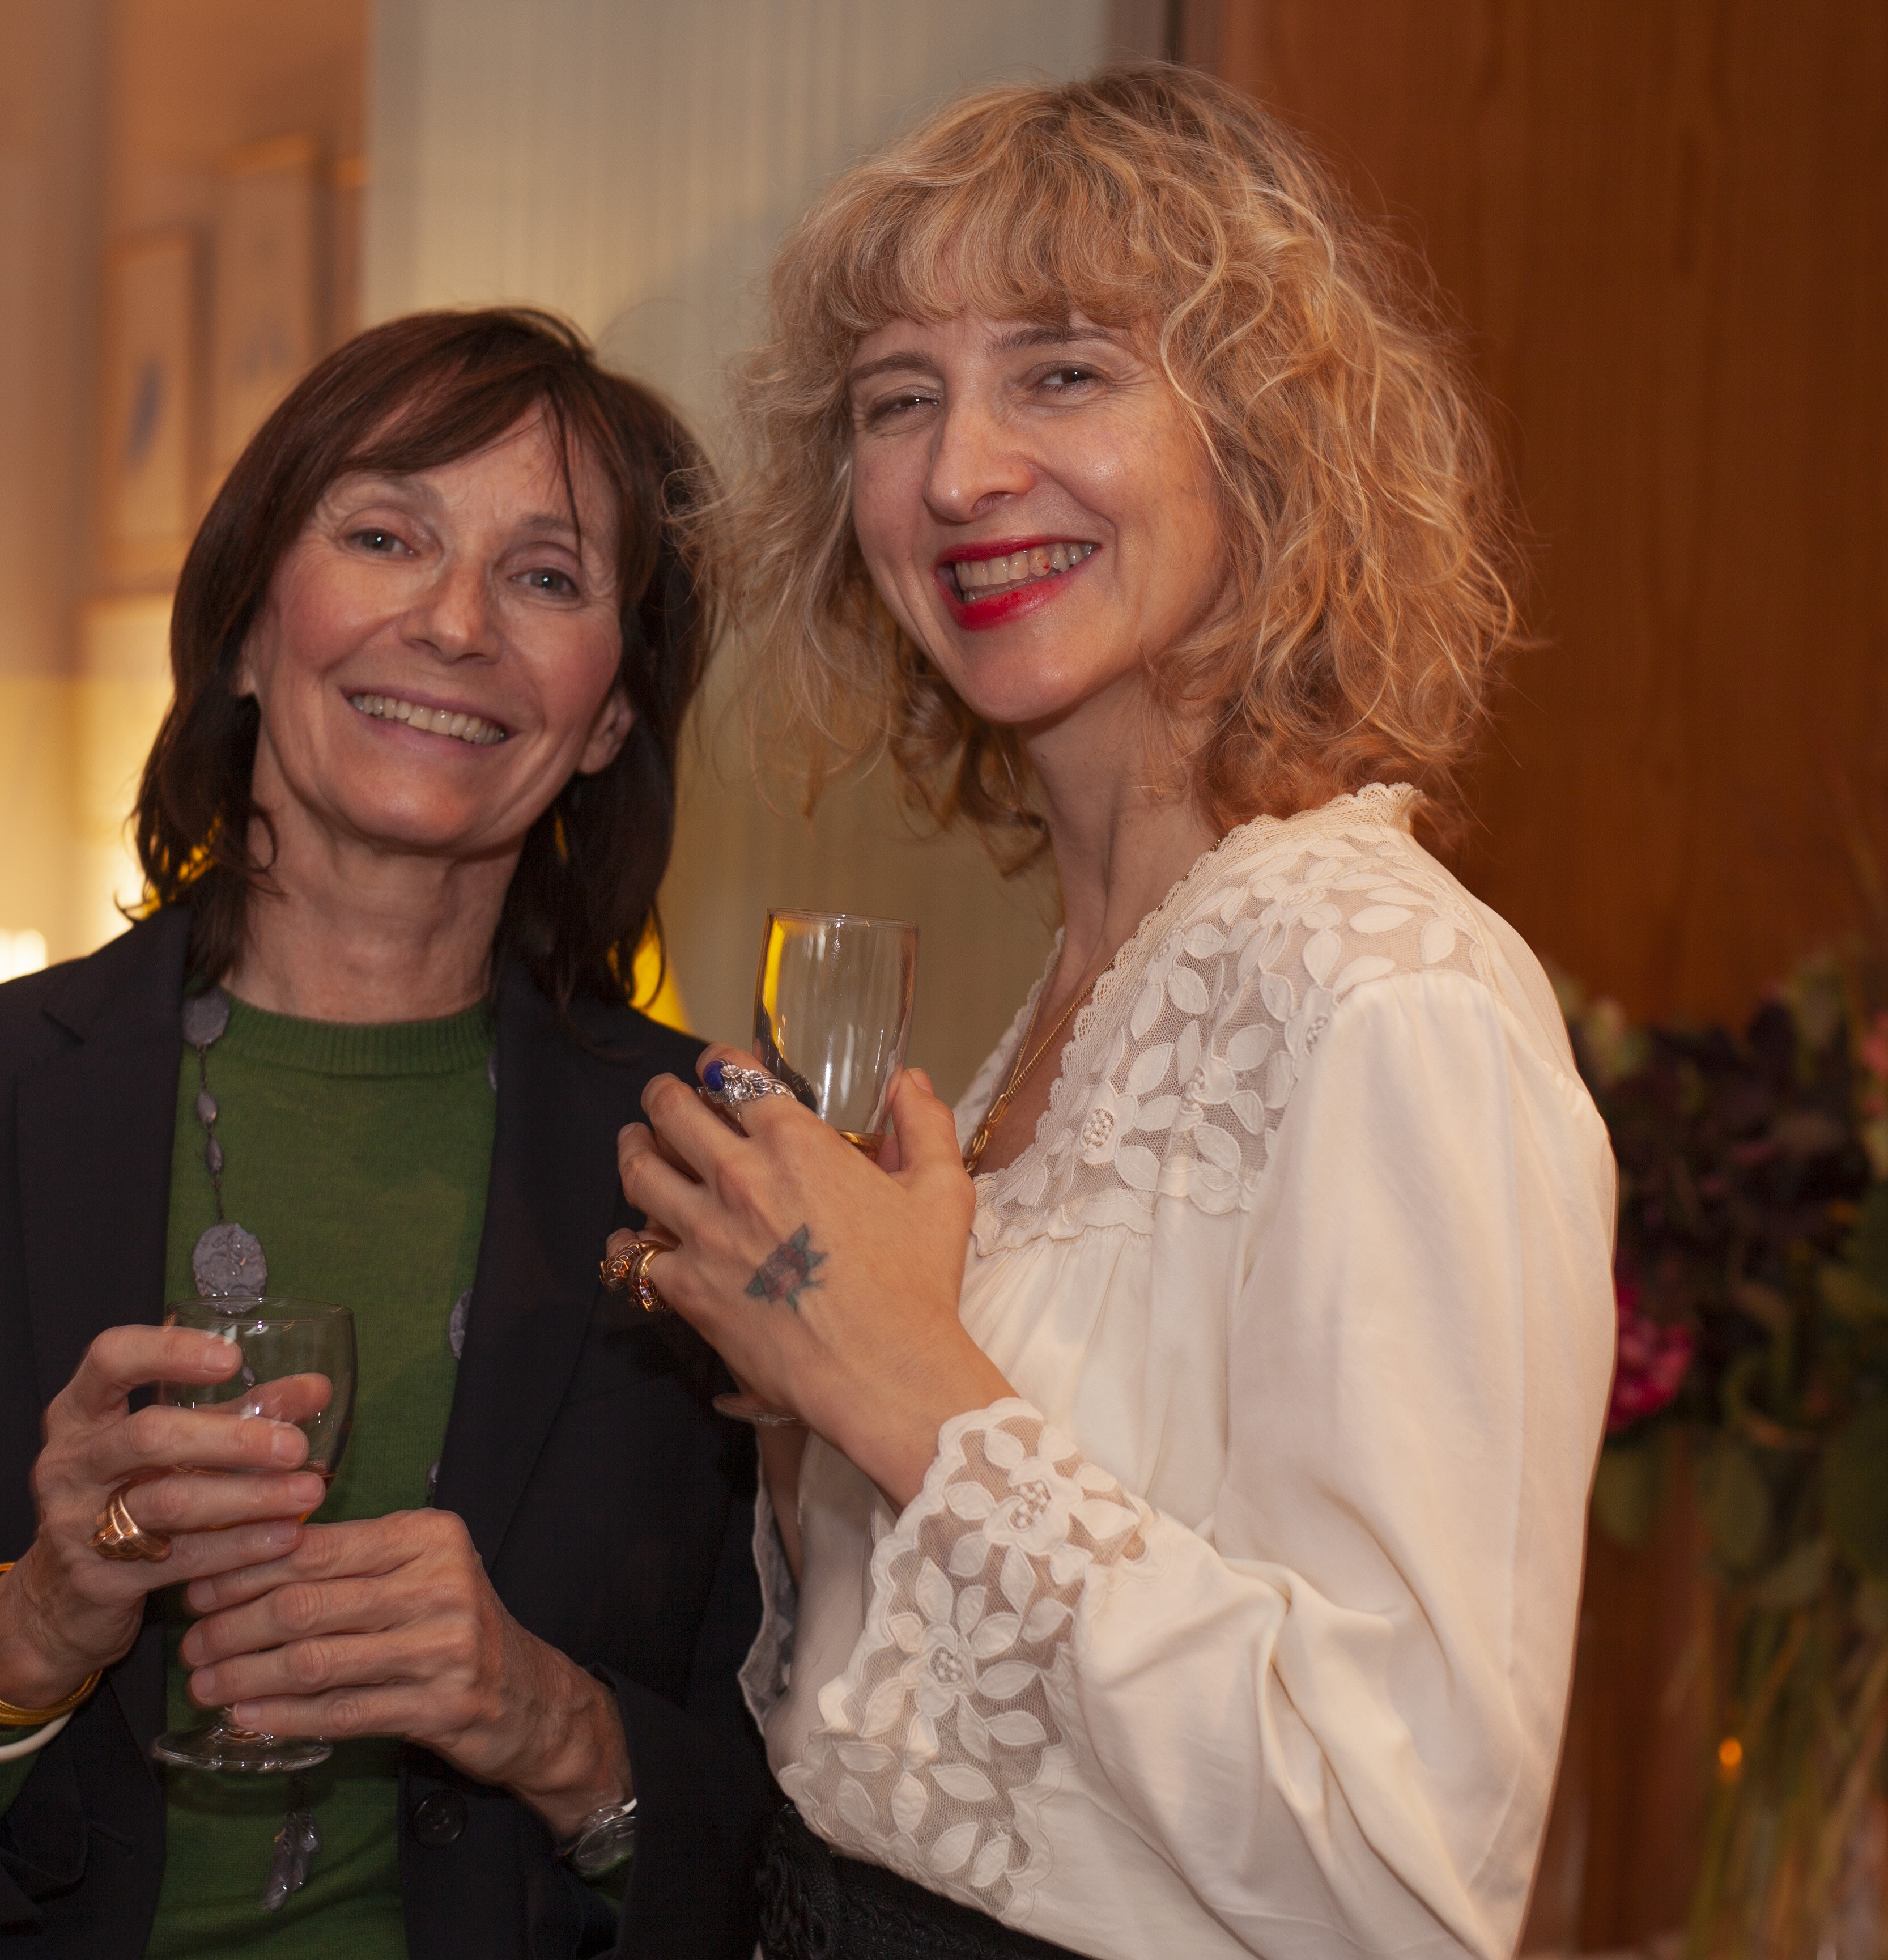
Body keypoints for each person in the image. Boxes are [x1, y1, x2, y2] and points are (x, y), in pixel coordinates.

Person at [610, 63, 1617, 1960]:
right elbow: (924, 1744)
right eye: (897, 401)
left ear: (1262, 435)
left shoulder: (1388, 994)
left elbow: (1402, 1873)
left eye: (1063, 370)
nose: (958, 470)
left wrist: (904, 1390)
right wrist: (802, 1407)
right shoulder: (1075, 985)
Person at [0, 308, 779, 1960]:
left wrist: (552, 1723)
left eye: (546, 578)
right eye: (386, 534)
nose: (456, 623)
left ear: (610, 714)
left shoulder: (717, 1168)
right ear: (250, 628)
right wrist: (29, 1627)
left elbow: (815, 1870)